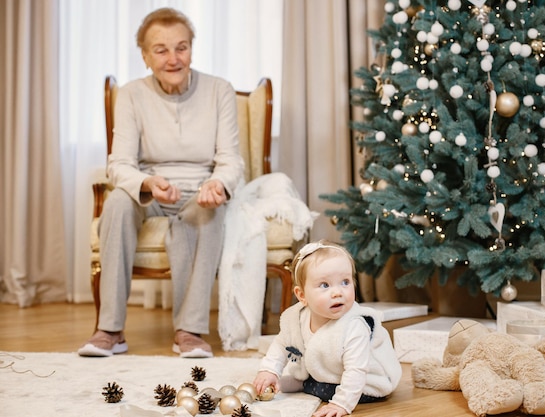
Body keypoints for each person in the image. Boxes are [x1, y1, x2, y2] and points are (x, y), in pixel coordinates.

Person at [78, 8, 243, 358]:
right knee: (117, 203)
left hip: (199, 190)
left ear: (192, 50)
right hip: (149, 188)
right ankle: (110, 329)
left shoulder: (219, 90)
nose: (173, 59)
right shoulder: (131, 94)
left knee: (212, 213)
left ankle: (190, 331)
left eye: (181, 48)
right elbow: (119, 164)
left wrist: (218, 184)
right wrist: (149, 182)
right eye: (161, 50)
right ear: (145, 55)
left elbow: (230, 158)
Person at [253, 240, 402, 417]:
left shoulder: (355, 325)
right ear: (302, 295)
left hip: (367, 382)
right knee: (295, 378)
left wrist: (342, 404)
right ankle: (306, 381)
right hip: (329, 370)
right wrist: (269, 370)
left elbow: (356, 370)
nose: (338, 292)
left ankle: (310, 384)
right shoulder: (297, 317)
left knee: (319, 389)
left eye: (345, 282)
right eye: (325, 285)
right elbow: (281, 345)